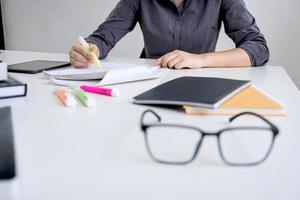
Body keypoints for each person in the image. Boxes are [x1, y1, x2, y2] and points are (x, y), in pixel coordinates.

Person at [69, 0, 269, 69]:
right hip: (149, 83)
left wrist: (201, 60)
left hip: (202, 83)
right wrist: (90, 49)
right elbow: (103, 38)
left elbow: (258, 49)